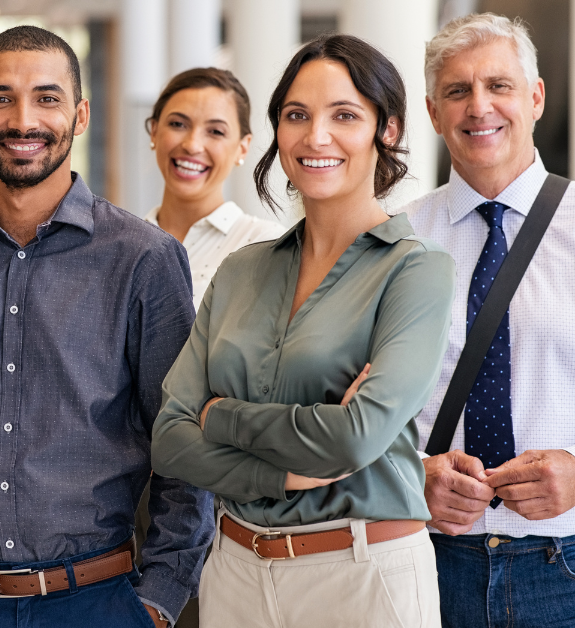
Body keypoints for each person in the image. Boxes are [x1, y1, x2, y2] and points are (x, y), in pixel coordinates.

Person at [0, 25, 213, 628]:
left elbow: (184, 446)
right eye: (1, 99)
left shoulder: (143, 259)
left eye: (47, 99)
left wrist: (158, 600)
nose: (23, 120)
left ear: (79, 115)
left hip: (100, 602)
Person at [151, 34, 455, 628]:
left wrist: (219, 417)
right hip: (235, 568)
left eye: (344, 115)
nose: (316, 137)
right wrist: (283, 470)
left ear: (386, 129)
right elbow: (168, 438)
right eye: (297, 116)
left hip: (363, 573)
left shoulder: (416, 269)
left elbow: (354, 440)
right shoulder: (242, 269)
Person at [401, 13, 575, 628]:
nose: (479, 107)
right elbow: (350, 408)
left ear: (535, 96)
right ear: (432, 110)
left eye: (498, 85)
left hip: (566, 568)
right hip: (425, 562)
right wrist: (411, 475)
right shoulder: (394, 242)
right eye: (457, 90)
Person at [144, 67, 284, 308]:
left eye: (215, 131)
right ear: (154, 131)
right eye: (178, 124)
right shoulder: (121, 242)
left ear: (242, 147)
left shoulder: (267, 246)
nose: (192, 145)